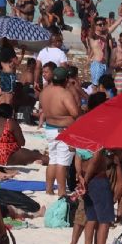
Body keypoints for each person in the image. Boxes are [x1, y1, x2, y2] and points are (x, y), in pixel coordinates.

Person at [40, 67, 81, 197]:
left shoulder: (44, 92)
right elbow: (75, 113)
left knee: (53, 159)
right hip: (64, 131)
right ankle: (62, 192)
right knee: (62, 163)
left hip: (50, 129)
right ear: (66, 80)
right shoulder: (64, 93)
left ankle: (49, 189)